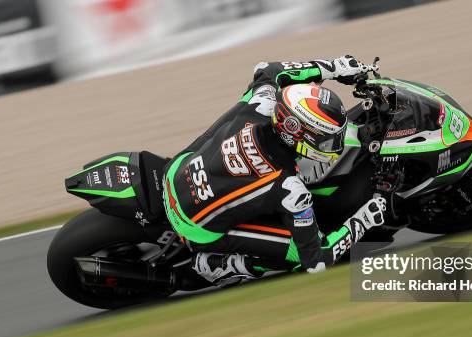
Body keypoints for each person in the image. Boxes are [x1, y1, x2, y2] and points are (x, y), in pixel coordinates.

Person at [163, 55, 387, 287]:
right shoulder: (291, 189)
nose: (335, 147)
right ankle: (225, 265)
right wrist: (364, 220)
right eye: (328, 141)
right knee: (296, 253)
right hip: (192, 226)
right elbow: (317, 262)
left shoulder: (262, 104)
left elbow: (267, 70)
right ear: (299, 136)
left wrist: (334, 68)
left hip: (175, 173)